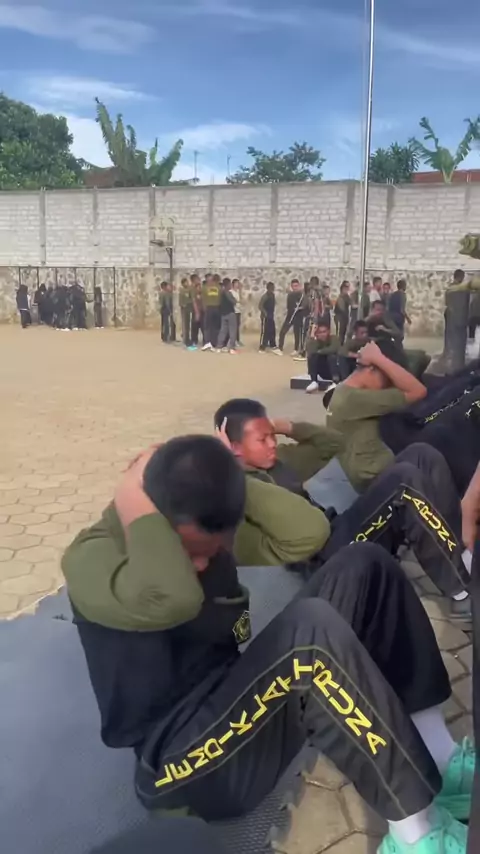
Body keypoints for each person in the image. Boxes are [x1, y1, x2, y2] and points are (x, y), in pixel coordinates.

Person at [62, 437, 474, 854]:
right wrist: (134, 497)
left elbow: (308, 534)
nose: (202, 564)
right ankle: (417, 836)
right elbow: (174, 597)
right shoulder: (92, 558)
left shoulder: (196, 525)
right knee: (308, 639)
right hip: (183, 766)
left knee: (365, 565)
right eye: (190, 552)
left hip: (235, 708)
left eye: (211, 551)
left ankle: (440, 757)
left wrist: (222, 477)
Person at [214, 398, 471, 624]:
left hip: (338, 529)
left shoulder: (278, 461)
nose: (272, 443)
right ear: (234, 447)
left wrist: (287, 427)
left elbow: (334, 443)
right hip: (327, 559)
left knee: (420, 455)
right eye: (262, 439)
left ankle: (460, 549)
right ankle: (461, 592)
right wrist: (225, 467)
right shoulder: (235, 493)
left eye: (272, 436)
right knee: (404, 482)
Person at [326, 340, 426, 492]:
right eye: (387, 380)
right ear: (372, 368)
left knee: (420, 451)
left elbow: (420, 359)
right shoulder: (357, 398)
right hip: (373, 478)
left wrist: (376, 357)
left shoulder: (344, 390)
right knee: (425, 454)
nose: (388, 387)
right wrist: (378, 358)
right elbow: (418, 391)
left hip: (366, 470)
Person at [305, 321, 340, 393]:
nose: (323, 334)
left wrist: (319, 351)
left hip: (335, 370)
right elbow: (310, 350)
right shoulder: (316, 341)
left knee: (331, 356)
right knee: (312, 356)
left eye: (324, 332)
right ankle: (314, 382)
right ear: (317, 334)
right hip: (323, 371)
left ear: (328, 332)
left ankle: (335, 383)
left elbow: (333, 348)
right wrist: (312, 335)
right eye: (320, 332)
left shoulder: (334, 338)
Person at [278, 279, 306, 355]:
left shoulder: (302, 295)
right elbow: (289, 306)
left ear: (299, 286)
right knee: (282, 332)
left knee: (297, 334)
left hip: (298, 317)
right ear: (291, 286)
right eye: (293, 286)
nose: (295, 287)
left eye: (296, 286)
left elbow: (304, 306)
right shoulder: (290, 295)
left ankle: (296, 349)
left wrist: (300, 308)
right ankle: (280, 348)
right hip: (290, 316)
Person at [215, 279, 237, 354]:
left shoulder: (220, 293)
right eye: (230, 284)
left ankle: (219, 347)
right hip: (230, 313)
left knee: (223, 331)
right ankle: (231, 348)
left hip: (223, 314)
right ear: (227, 285)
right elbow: (234, 301)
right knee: (232, 331)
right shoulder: (228, 293)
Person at [258, 282, 281, 353]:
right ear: (267, 288)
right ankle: (262, 347)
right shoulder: (265, 296)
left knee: (272, 330)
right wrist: (265, 313)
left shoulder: (272, 295)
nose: (272, 289)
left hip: (271, 316)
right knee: (265, 332)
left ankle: (272, 344)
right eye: (271, 288)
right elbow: (260, 306)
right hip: (265, 317)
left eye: (273, 288)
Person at [201, 274, 221, 351]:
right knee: (207, 326)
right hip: (208, 308)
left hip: (216, 307)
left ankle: (214, 342)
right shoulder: (204, 287)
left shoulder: (218, 287)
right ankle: (207, 342)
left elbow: (220, 297)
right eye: (208, 279)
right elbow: (203, 298)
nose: (210, 280)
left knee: (215, 327)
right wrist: (204, 307)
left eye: (211, 279)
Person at [179, 277, 195, 349]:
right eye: (185, 282)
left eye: (187, 282)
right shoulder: (182, 291)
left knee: (189, 324)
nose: (187, 283)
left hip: (190, 307)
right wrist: (183, 305)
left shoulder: (190, 289)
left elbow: (192, 298)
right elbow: (180, 301)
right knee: (185, 325)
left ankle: (188, 338)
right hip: (184, 308)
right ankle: (186, 339)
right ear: (183, 284)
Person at [190, 274, 203, 347]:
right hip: (196, 310)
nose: (199, 280)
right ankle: (194, 341)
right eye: (198, 279)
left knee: (202, 325)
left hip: (201, 309)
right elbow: (194, 301)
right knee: (195, 326)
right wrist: (197, 312)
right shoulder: (193, 289)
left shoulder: (199, 288)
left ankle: (203, 340)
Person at [232, 279, 242, 346]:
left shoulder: (238, 292)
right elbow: (234, 301)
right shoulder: (231, 292)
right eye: (236, 283)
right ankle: (234, 340)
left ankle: (238, 340)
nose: (238, 284)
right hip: (234, 311)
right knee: (234, 326)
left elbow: (241, 300)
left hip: (238, 311)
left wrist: (240, 291)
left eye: (238, 283)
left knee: (238, 326)